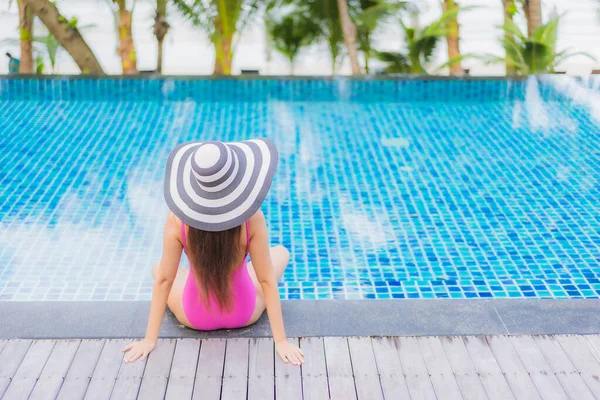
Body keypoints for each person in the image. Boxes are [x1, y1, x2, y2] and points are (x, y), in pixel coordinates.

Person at [122, 139, 304, 366]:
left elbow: (164, 281)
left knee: (159, 269)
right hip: (244, 313)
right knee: (281, 253)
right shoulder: (252, 219)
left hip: (194, 316)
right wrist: (281, 342)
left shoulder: (177, 221)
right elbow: (266, 280)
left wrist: (149, 340)